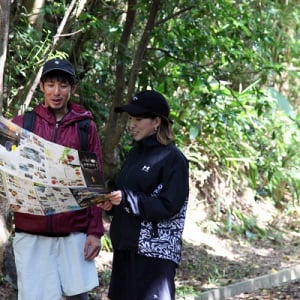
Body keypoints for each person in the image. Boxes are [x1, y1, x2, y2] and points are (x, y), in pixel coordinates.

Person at [12, 58, 104, 300]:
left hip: (73, 232)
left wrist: (95, 231)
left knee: (78, 297)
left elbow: (93, 180)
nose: (56, 92)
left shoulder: (84, 126)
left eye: (62, 85)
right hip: (31, 233)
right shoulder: (24, 124)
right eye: (50, 84)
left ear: (72, 89)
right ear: (41, 86)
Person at [99, 90, 189, 300]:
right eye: (131, 118)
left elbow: (169, 206)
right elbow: (130, 197)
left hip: (154, 256)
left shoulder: (173, 159)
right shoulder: (135, 154)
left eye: (138, 119)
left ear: (157, 121)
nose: (132, 124)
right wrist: (112, 205)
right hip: (126, 248)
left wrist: (128, 199)